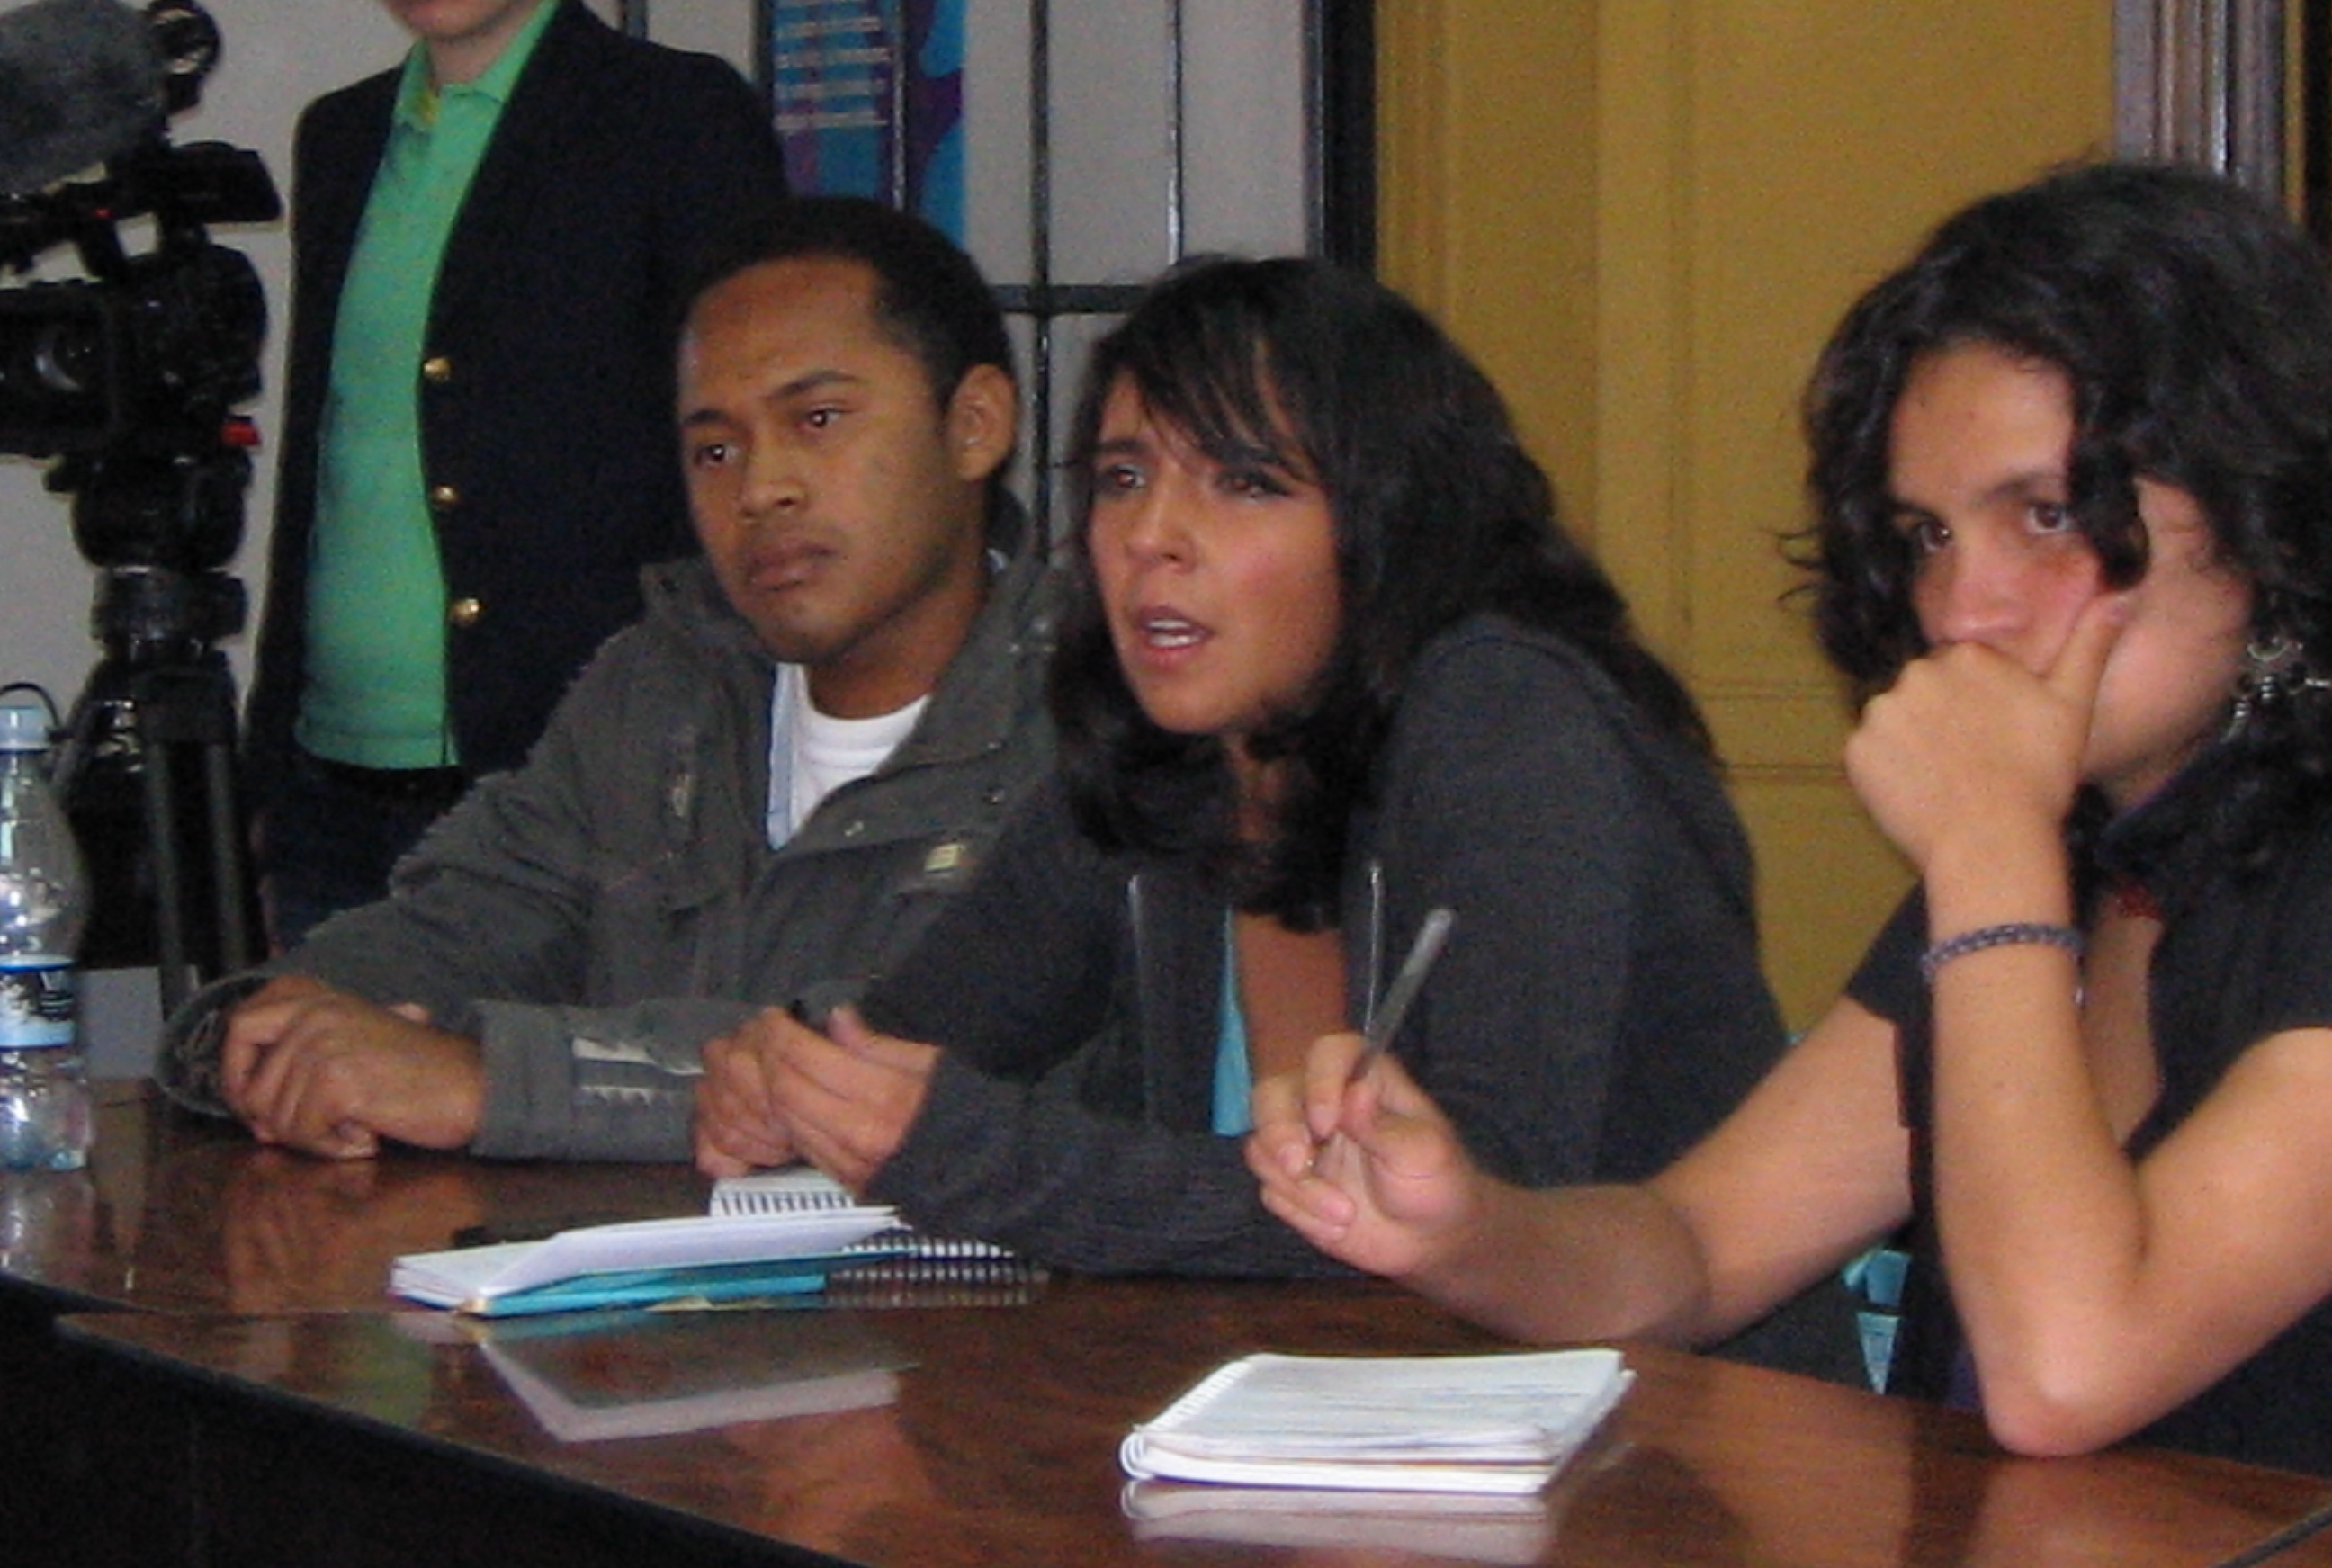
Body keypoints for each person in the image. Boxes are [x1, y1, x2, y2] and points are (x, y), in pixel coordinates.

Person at [1250, 159, 2332, 1475]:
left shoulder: (2022, 860)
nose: (1963, 611)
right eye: (1927, 536)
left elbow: (2063, 1371)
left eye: (2049, 515)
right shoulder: (2066, 854)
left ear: (2265, 516)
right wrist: (1466, 1230)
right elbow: (1700, 1249)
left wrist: (1988, 852)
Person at [693, 257, 1843, 1375]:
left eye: (1244, 483)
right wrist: (791, 1087)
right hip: (1319, 1419)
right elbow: (908, 1041)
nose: (1152, 535)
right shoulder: (1167, 759)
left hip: (1679, 1436)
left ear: (1388, 519)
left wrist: (978, 1152)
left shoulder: (1509, 720)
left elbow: (1477, 1200)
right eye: (1123, 478)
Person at [158, 195, 1054, 1163]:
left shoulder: (1092, 717)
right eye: (715, 449)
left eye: (819, 418)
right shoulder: (668, 683)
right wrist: (272, 1027)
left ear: (974, 425)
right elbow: (471, 921)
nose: (761, 489)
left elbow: (895, 1066)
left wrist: (489, 1082)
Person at [244, 0, 788, 945]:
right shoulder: (343, 136)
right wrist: (268, 756)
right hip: (331, 767)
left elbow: (746, 437)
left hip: (572, 766)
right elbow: (321, 452)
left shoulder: (669, 116)